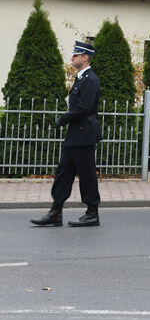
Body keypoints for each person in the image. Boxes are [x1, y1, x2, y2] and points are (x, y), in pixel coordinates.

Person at [31, 41, 102, 228]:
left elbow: (84, 107)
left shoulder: (90, 79)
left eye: (76, 55)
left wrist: (63, 118)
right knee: (63, 174)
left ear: (85, 57)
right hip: (74, 135)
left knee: (87, 175)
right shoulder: (80, 78)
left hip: (84, 134)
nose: (72, 57)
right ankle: (56, 212)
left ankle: (92, 213)